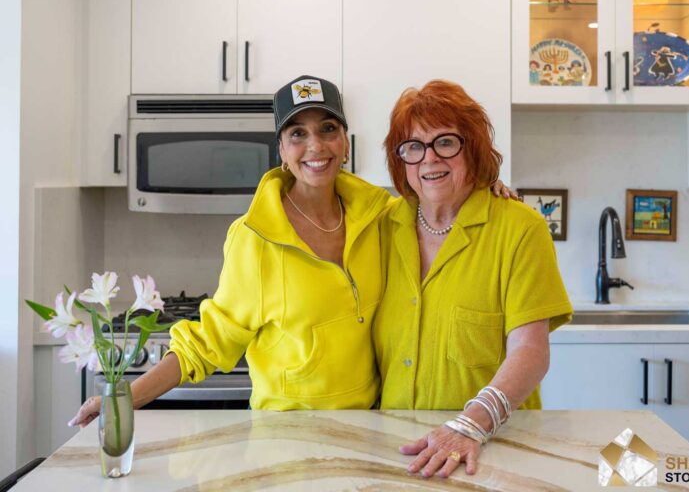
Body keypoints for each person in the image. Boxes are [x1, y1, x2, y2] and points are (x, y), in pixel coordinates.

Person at [69, 75, 513, 426]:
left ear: (345, 143)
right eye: (297, 133)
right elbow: (206, 343)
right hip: (284, 434)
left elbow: (438, 186)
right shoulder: (254, 238)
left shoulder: (382, 216)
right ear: (281, 149)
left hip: (373, 430)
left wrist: (483, 186)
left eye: (328, 129)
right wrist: (125, 398)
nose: (315, 145)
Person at [373, 80, 573, 478]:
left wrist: (471, 424)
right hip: (398, 451)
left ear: (473, 148)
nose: (429, 159)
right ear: (401, 161)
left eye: (446, 142)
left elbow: (530, 351)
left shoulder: (519, 228)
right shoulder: (380, 227)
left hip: (489, 451)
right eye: (413, 147)